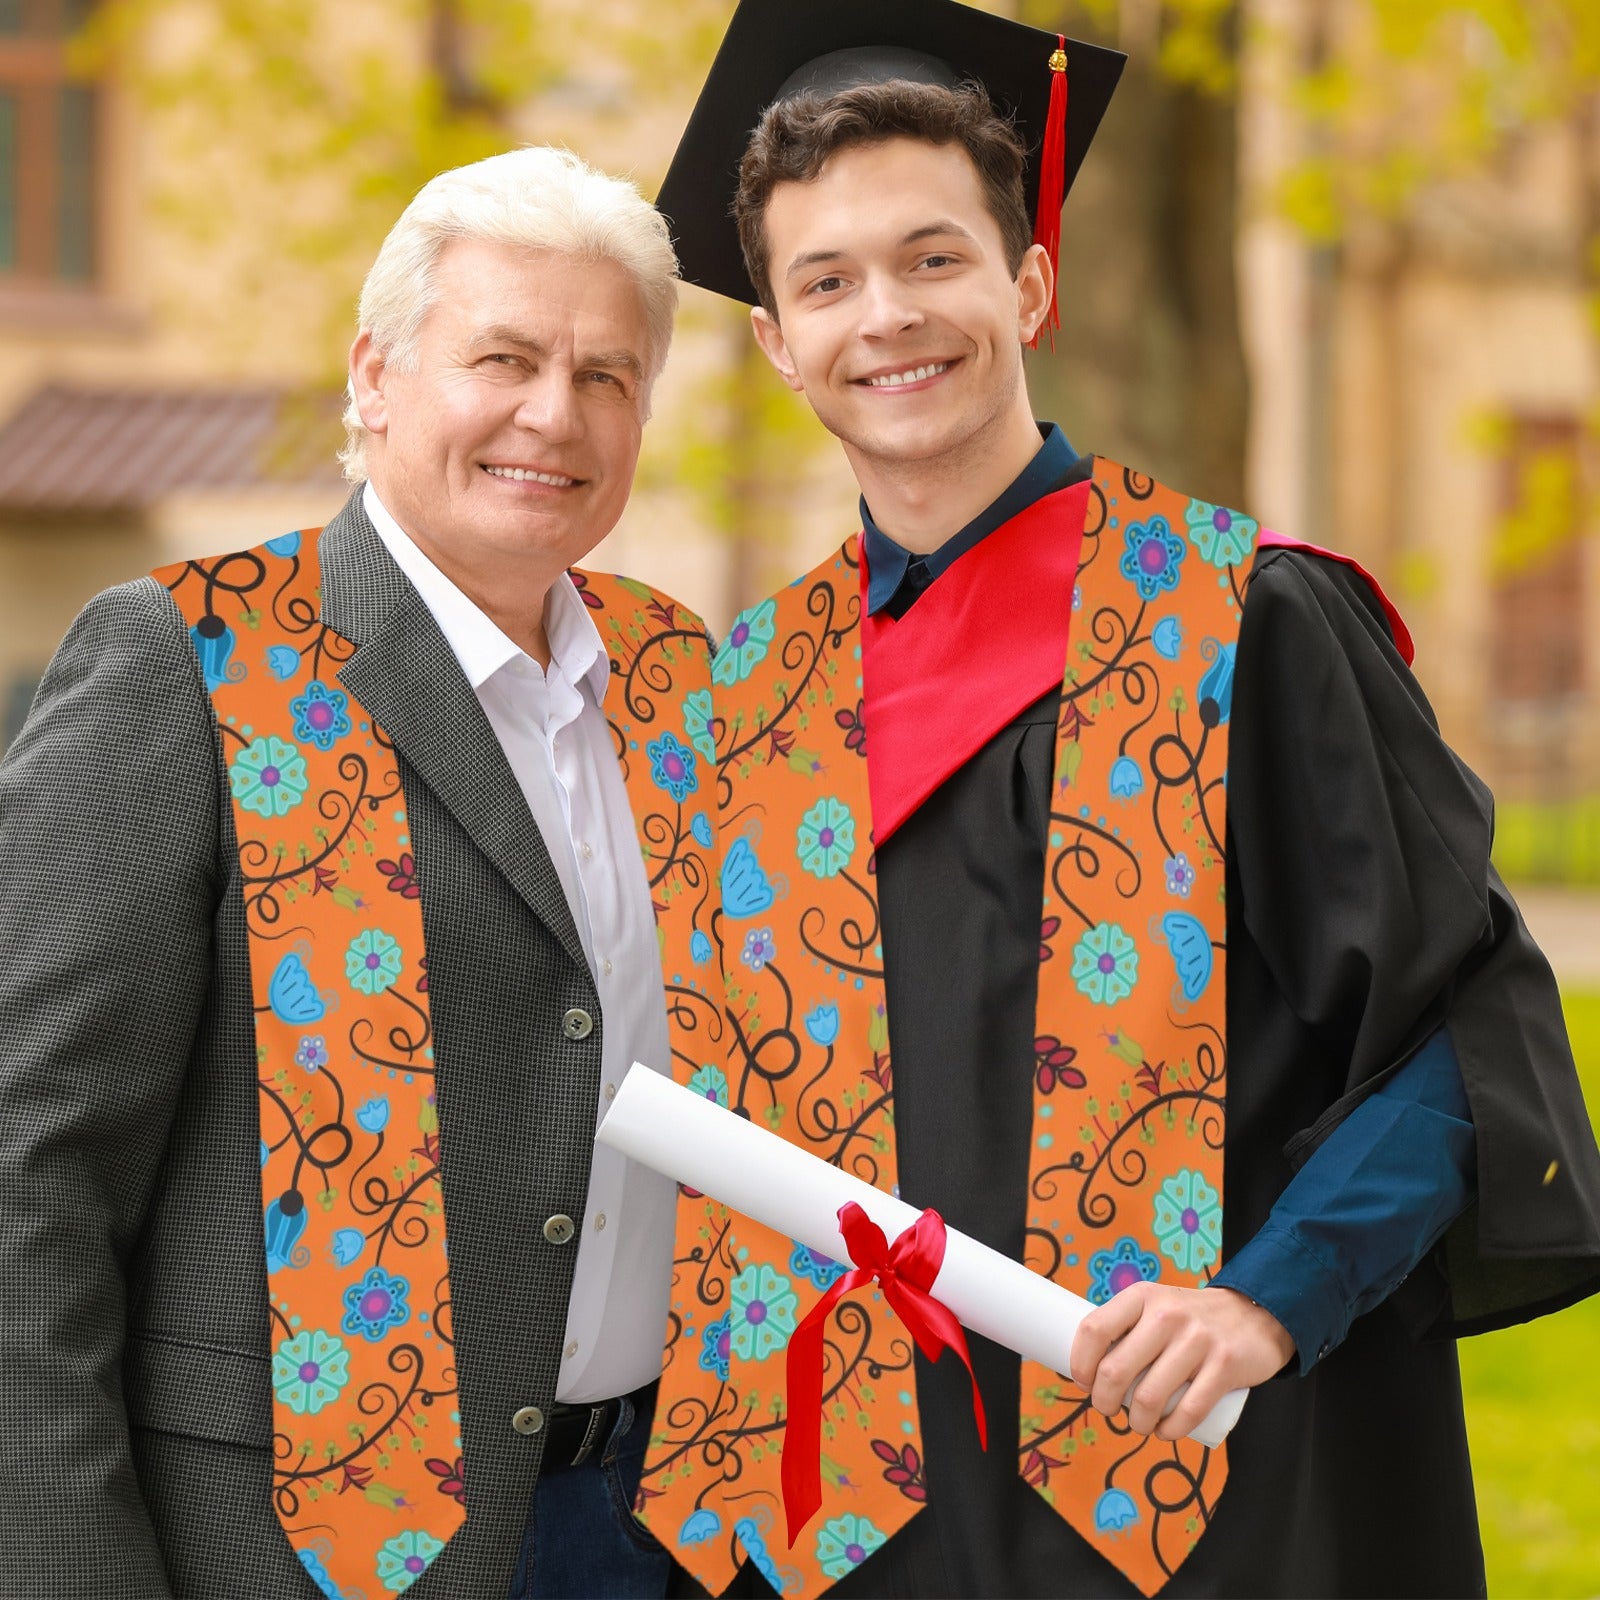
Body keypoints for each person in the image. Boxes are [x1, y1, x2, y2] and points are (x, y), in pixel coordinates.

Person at [631, 3, 1600, 1596]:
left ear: (1029, 282)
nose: (888, 316)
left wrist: (1270, 1299)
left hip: (1201, 1496)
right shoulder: (740, 701)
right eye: (828, 281)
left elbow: (1461, 1033)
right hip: (855, 1528)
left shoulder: (1247, 622)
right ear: (777, 341)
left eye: (935, 258)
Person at [0, 146, 720, 1600]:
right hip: (293, 1550)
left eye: (605, 375)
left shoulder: (686, 679)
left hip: (655, 1531)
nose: (552, 414)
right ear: (375, 377)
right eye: (503, 357)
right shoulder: (187, 662)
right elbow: (29, 1172)